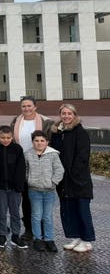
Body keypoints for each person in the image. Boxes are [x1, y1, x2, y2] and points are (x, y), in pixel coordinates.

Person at [49, 104, 95, 253]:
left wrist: (72, 173)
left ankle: (87, 240)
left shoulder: (80, 132)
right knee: (68, 210)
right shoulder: (57, 132)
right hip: (63, 180)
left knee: (82, 209)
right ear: (60, 115)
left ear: (74, 115)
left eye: (69, 113)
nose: (66, 116)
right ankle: (75, 237)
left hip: (78, 180)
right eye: (64, 113)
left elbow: (83, 157)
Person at [11, 96, 53, 239]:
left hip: (39, 162)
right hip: (21, 163)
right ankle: (29, 229)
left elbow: (50, 141)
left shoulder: (46, 122)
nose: (26, 109)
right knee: (26, 198)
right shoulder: (16, 121)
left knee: (40, 196)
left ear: (35, 107)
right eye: (23, 106)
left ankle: (42, 228)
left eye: (29, 106)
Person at [0, 126, 28, 249]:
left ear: (12, 137)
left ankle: (16, 236)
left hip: (14, 188)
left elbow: (21, 168)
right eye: (3, 138)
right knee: (1, 212)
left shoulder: (17, 149)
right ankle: (2, 235)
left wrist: (20, 186)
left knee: (15, 212)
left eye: (8, 138)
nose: (6, 140)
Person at [25, 131, 63, 252]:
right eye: (36, 141)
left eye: (42, 141)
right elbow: (25, 169)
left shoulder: (53, 154)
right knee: (36, 215)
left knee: (47, 216)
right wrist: (28, 181)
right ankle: (37, 239)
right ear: (33, 142)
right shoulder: (27, 154)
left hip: (49, 191)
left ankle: (49, 239)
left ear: (47, 142)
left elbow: (59, 170)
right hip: (34, 190)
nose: (39, 143)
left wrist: (53, 182)